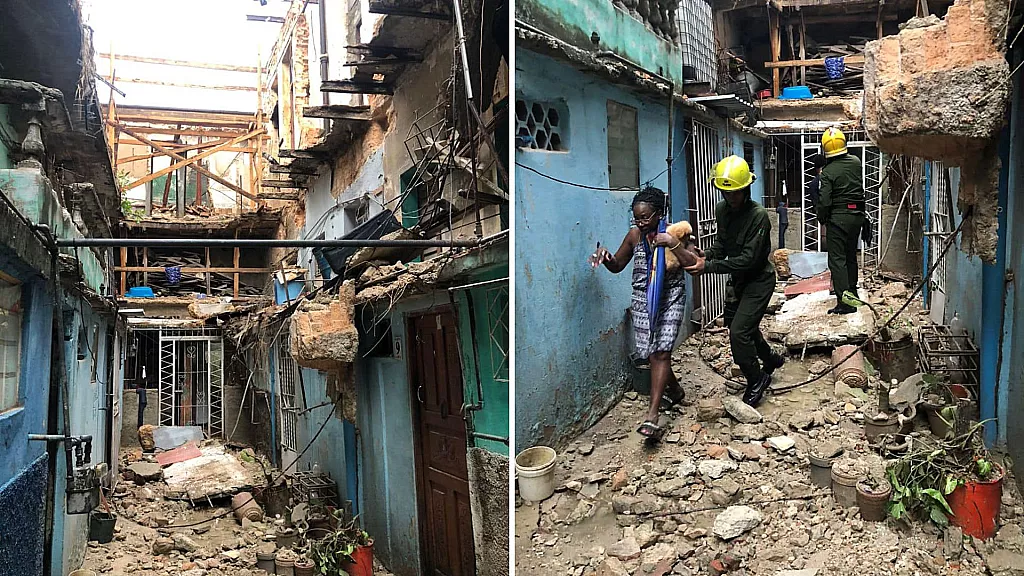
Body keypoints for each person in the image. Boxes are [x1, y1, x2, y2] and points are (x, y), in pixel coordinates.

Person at [592, 186, 698, 440]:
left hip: (670, 297)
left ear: (659, 214)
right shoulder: (634, 236)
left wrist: (672, 243)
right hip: (642, 299)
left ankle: (652, 415)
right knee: (653, 354)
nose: (640, 222)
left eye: (645, 217)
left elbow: (692, 262)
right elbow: (618, 265)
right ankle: (675, 391)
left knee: (661, 352)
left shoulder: (677, 233)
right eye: (637, 217)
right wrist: (606, 257)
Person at [684, 155, 785, 407]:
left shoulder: (758, 216)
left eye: (735, 193)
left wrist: (708, 267)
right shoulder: (722, 210)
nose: (730, 198)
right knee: (741, 325)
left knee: (739, 332)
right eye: (725, 193)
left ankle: (756, 378)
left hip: (759, 280)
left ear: (746, 189)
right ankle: (770, 358)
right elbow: (723, 244)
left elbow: (749, 259)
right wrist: (706, 254)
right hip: (738, 280)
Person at [817, 127, 866, 315]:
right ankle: (853, 294)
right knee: (850, 256)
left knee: (837, 261)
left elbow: (825, 200)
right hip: (857, 216)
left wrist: (822, 218)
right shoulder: (856, 162)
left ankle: (845, 303)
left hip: (838, 219)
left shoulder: (827, 172)